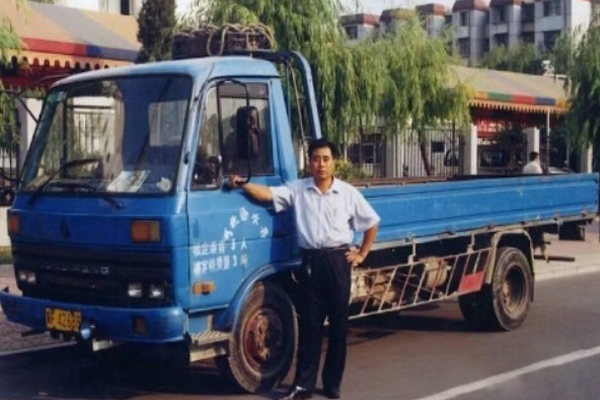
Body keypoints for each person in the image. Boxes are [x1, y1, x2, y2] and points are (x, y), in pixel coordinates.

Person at [229, 138, 380, 400]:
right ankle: (302, 386)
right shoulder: (298, 190)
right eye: (316, 159)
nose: (321, 164)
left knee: (338, 327)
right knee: (310, 327)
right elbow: (267, 194)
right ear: (309, 162)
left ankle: (332, 384)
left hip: (338, 262)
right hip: (311, 263)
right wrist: (243, 184)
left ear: (334, 162)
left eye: (326, 159)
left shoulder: (347, 193)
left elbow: (372, 222)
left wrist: (362, 253)